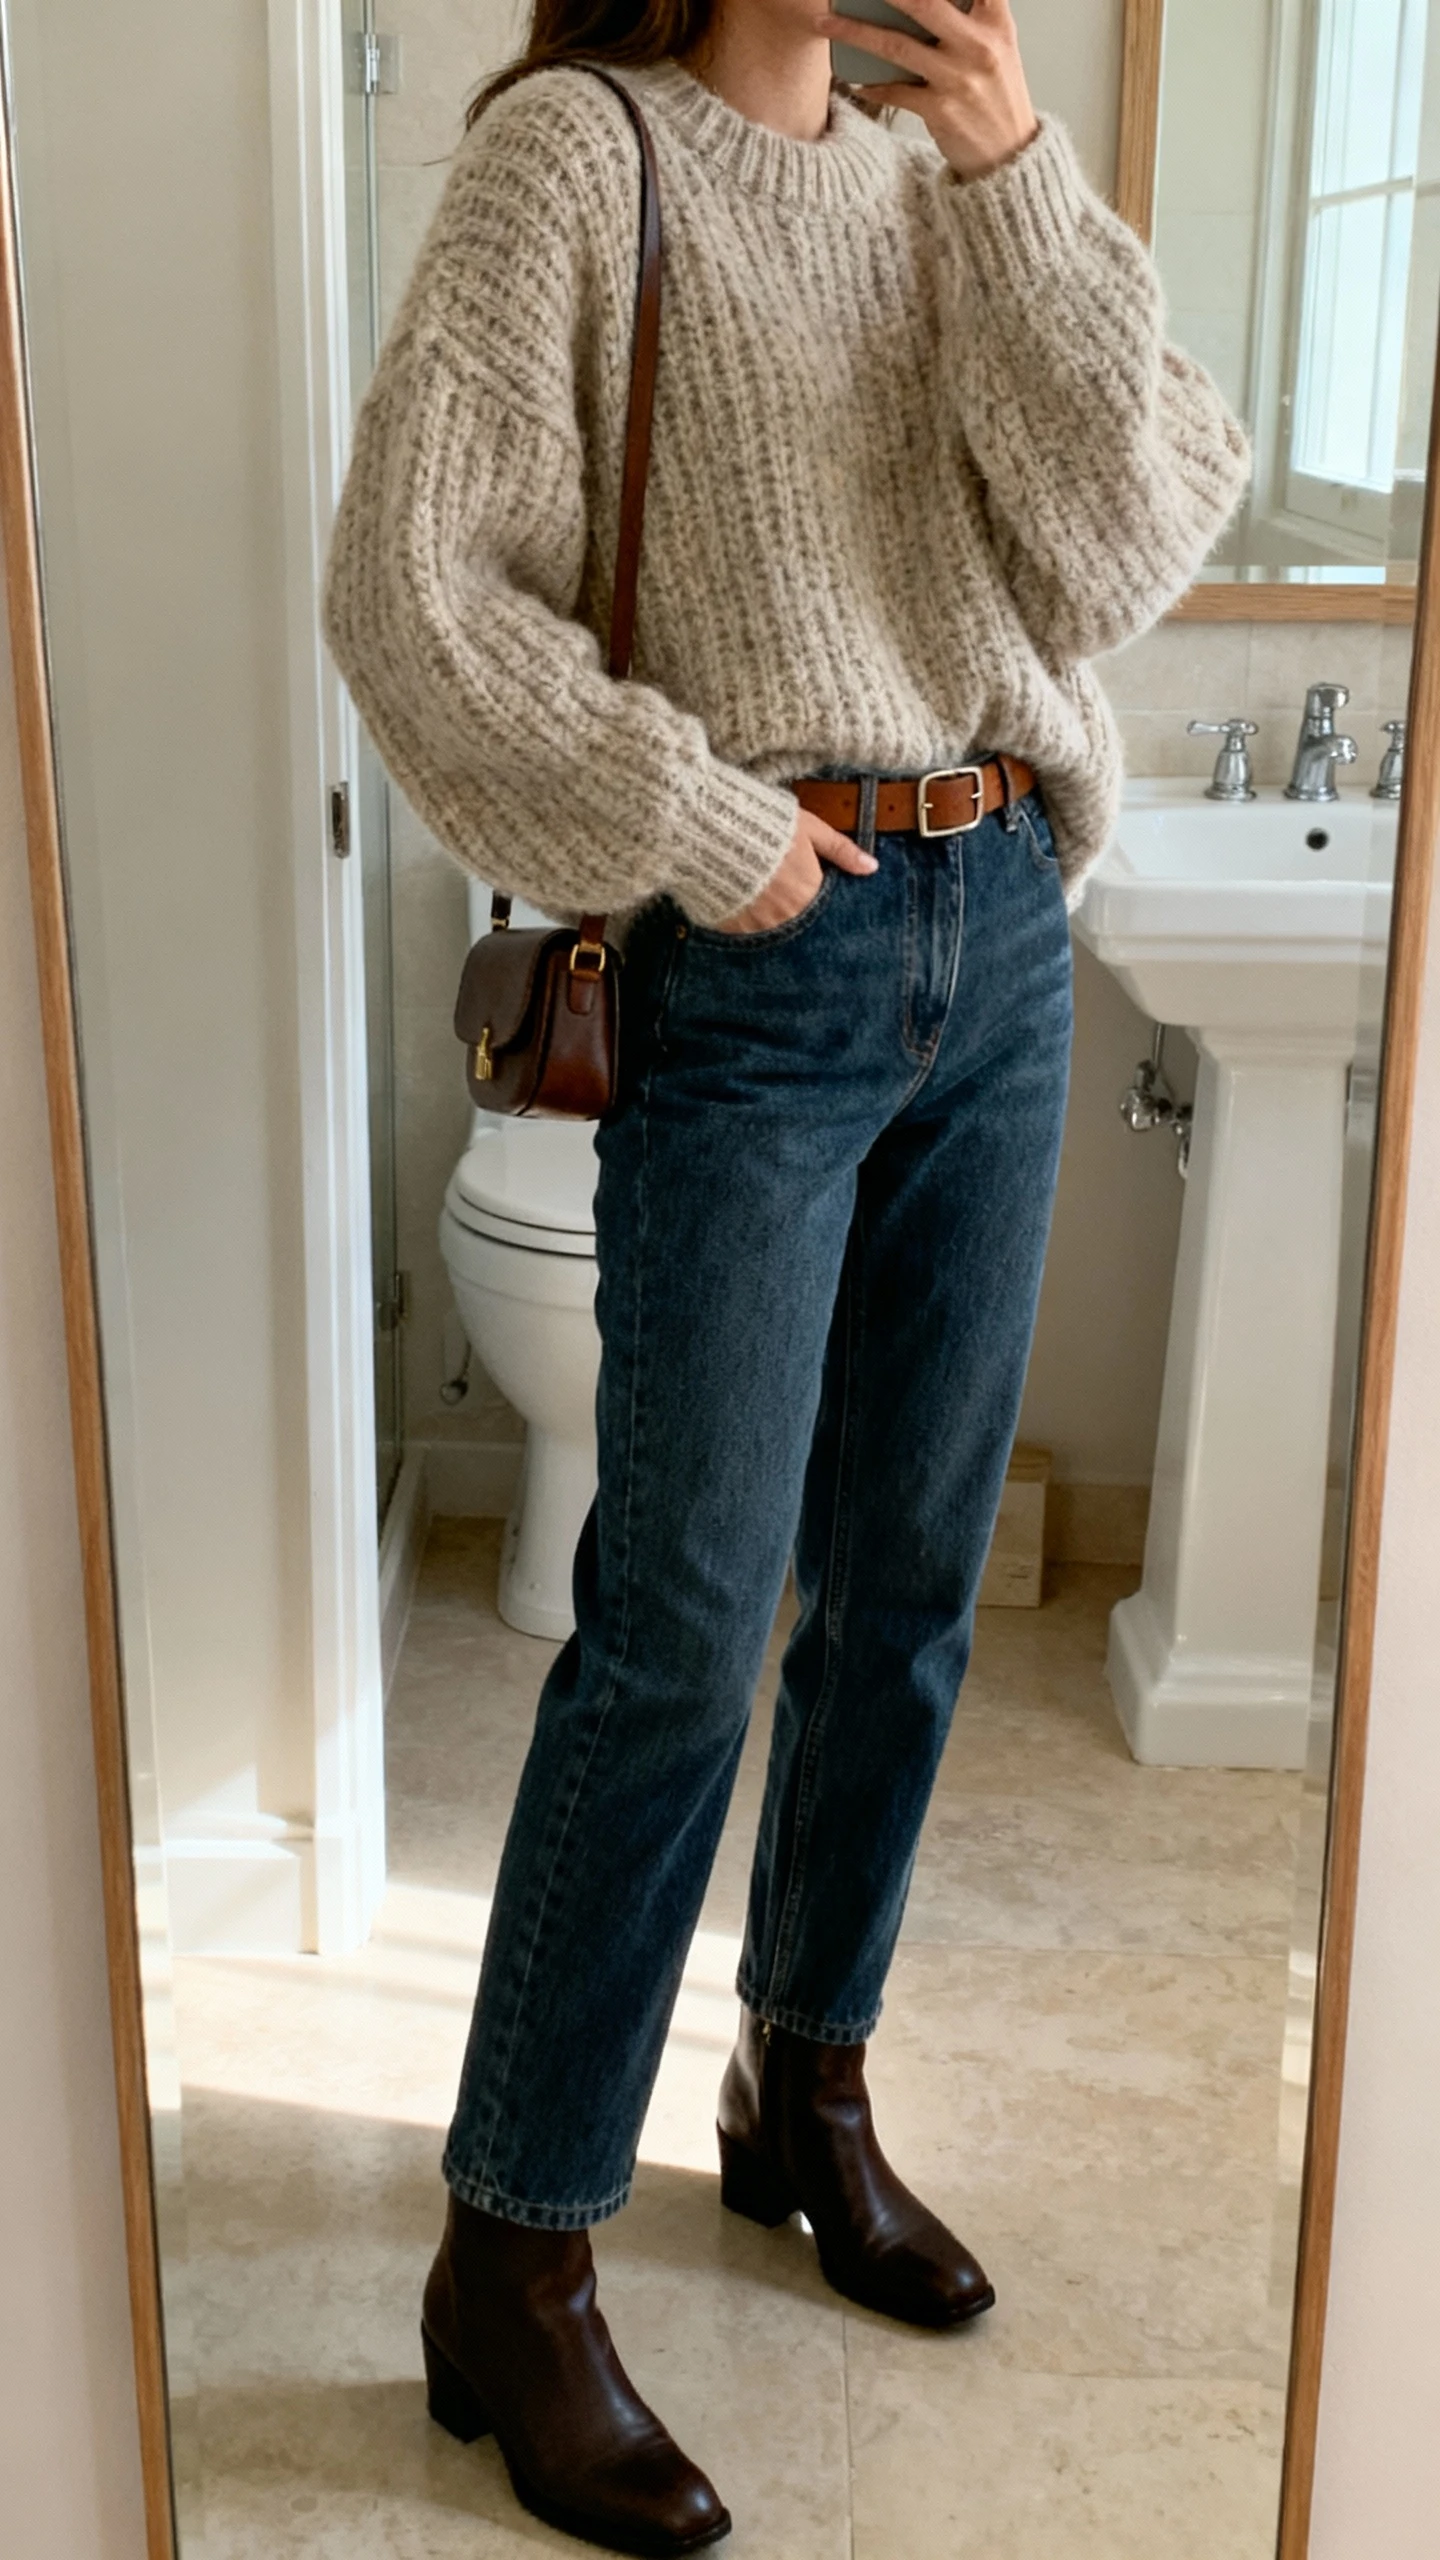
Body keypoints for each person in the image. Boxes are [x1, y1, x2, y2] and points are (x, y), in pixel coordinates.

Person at [323, 0, 1247, 2547]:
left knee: (912, 1587)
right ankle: (515, 2250)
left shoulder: (959, 183)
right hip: (761, 949)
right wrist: (683, 812)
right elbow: (407, 584)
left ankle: (802, 2080)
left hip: (1005, 926)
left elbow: (1137, 535)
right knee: (680, 1619)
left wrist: (1018, 167)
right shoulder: (574, 156)